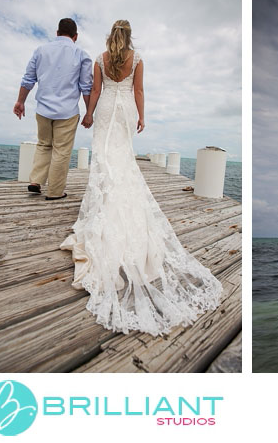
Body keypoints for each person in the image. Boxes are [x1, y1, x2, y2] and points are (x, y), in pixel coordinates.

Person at [60, 20, 222, 336]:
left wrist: (90, 113)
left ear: (111, 36)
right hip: (125, 111)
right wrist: (142, 116)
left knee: (105, 161)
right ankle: (119, 210)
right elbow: (139, 90)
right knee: (123, 162)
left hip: (107, 108)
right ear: (129, 36)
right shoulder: (137, 58)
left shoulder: (100, 58)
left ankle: (105, 209)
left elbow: (95, 89)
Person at [13, 18, 92, 200]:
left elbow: (28, 79)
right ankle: (56, 192)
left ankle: (35, 181)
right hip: (68, 111)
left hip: (43, 109)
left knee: (43, 144)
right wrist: (89, 112)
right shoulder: (81, 54)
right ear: (76, 36)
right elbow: (86, 87)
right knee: (61, 151)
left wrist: (20, 101)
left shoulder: (41, 50)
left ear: (57, 33)